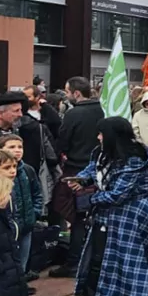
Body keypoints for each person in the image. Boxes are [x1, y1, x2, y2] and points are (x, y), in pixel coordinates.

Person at [69, 117, 148, 296]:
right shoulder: (100, 152)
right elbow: (92, 170)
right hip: (105, 217)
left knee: (128, 264)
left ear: (112, 135)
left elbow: (119, 194)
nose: (98, 137)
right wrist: (81, 179)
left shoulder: (137, 157)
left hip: (132, 218)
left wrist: (89, 199)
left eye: (101, 133)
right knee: (96, 264)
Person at [50, 78, 105, 278]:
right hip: (102, 171)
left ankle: (74, 262)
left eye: (67, 91)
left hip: (77, 171)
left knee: (79, 219)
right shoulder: (104, 110)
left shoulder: (74, 114)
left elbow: (62, 141)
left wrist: (60, 155)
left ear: (76, 93)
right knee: (96, 217)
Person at [0, 134, 41, 296]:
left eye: (20, 146)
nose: (17, 150)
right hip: (6, 232)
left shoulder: (27, 171)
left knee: (19, 271)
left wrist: (34, 214)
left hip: (25, 228)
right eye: (11, 146)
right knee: (5, 272)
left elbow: (37, 194)